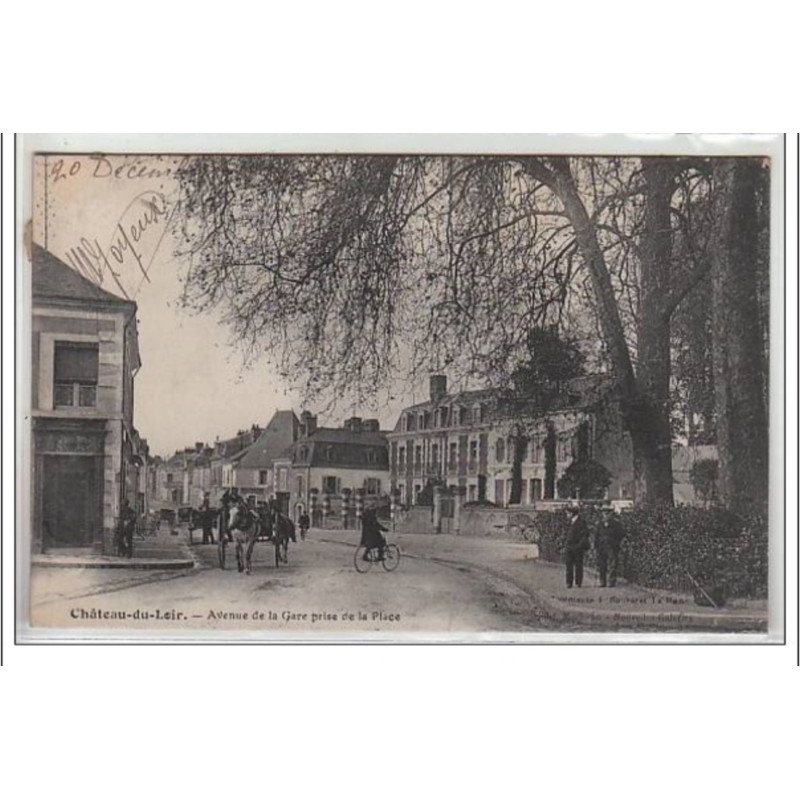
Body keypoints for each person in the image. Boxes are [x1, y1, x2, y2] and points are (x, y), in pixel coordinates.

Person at [595, 507, 625, 587]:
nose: (606, 515)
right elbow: (596, 536)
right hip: (602, 547)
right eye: (604, 513)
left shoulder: (616, 524)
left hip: (612, 547)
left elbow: (621, 534)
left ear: (611, 514)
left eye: (607, 513)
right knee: (602, 564)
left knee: (612, 564)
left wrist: (616, 543)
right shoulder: (599, 524)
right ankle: (603, 581)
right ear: (602, 514)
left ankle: (612, 581)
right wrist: (596, 546)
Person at [564, 506, 590, 588]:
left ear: (572, 513)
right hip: (569, 546)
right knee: (569, 565)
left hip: (577, 547)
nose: (567, 515)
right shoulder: (569, 522)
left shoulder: (581, 522)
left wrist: (579, 545)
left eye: (568, 513)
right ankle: (569, 582)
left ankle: (578, 582)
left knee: (578, 565)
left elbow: (585, 535)